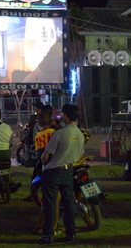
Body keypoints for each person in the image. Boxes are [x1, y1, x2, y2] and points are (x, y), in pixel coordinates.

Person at [38, 104, 85, 244]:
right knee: (69, 202)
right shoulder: (80, 135)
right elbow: (80, 154)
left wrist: (42, 161)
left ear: (66, 116)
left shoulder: (60, 133)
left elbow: (46, 156)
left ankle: (48, 235)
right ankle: (71, 233)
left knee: (50, 204)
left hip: (52, 171)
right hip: (68, 170)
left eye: (63, 115)